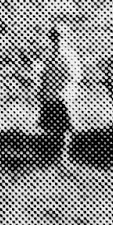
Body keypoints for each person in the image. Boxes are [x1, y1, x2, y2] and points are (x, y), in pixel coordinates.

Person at [36, 22, 82, 159]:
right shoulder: (48, 56)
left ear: (65, 37)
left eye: (59, 36)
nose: (56, 39)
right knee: (50, 126)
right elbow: (43, 75)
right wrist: (41, 91)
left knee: (64, 126)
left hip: (64, 97)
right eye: (54, 37)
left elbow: (75, 76)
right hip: (50, 95)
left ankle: (63, 155)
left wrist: (66, 92)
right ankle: (52, 154)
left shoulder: (70, 56)